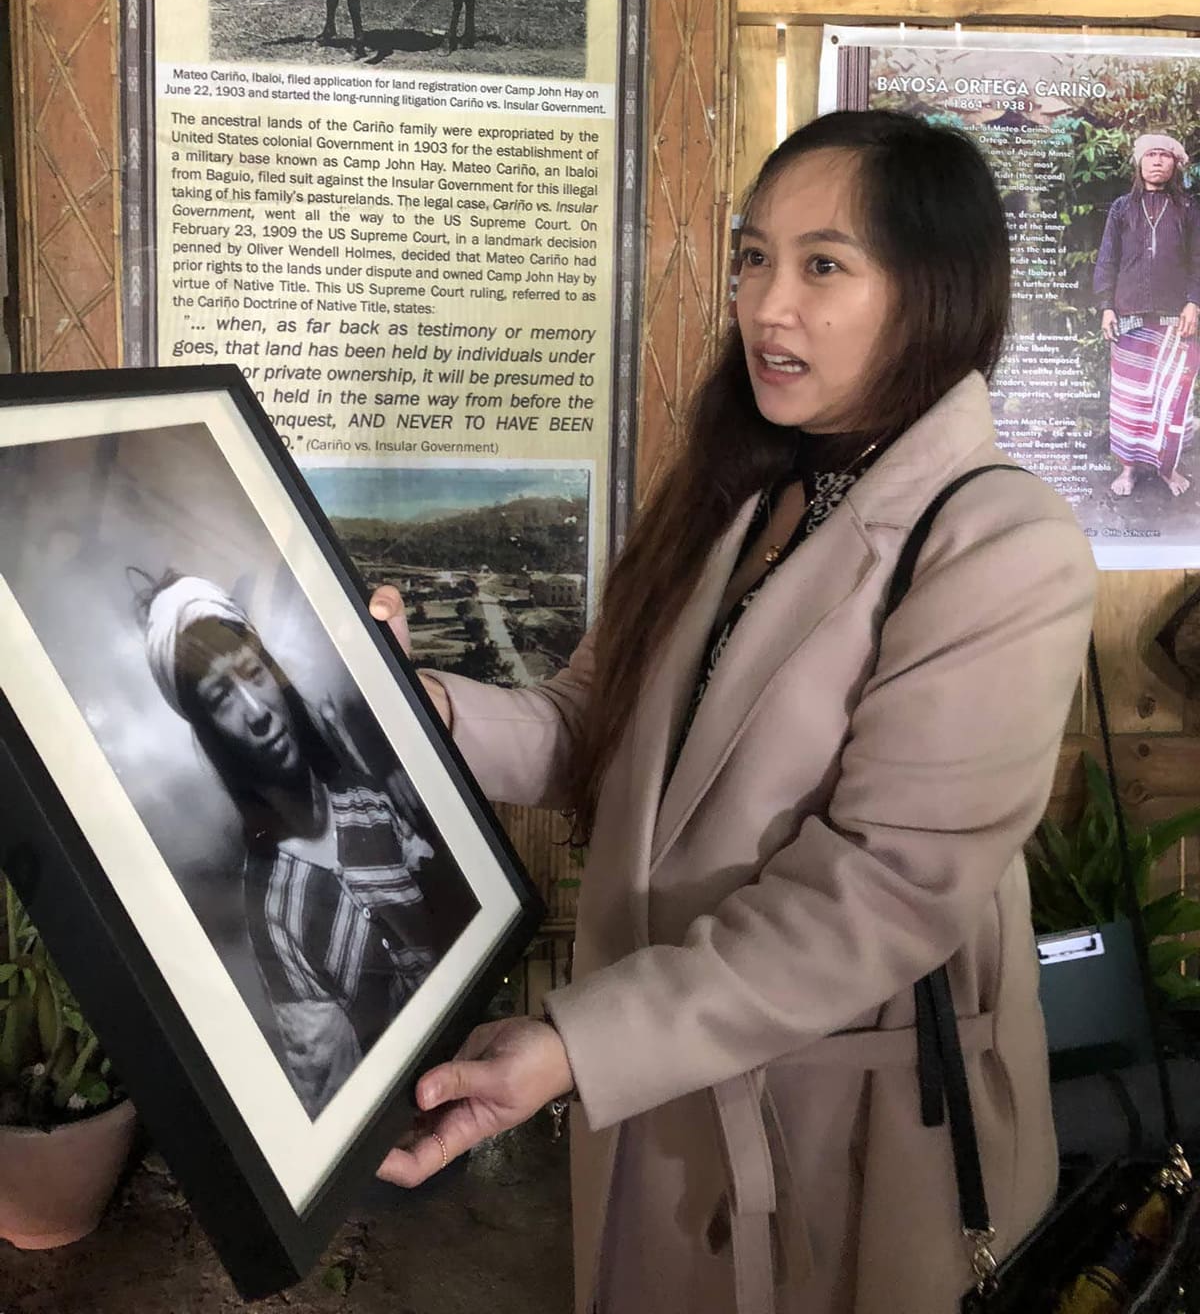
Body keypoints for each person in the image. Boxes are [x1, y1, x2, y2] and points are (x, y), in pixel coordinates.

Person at [369, 110, 1097, 1314]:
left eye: (824, 265)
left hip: (842, 1131)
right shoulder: (737, 490)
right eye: (754, 258)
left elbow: (880, 893)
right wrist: (412, 705)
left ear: (935, 292)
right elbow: (582, 730)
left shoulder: (1003, 542)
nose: (768, 306)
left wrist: (572, 1046)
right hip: (655, 1088)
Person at [140, 573, 443, 1116]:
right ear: (208, 730)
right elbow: (333, 1087)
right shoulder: (273, 911)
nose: (254, 713)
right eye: (220, 698)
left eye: (253, 674)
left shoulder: (370, 799)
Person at [1094, 131, 1200, 498]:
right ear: (1139, 163)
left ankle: (1168, 467)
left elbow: (1197, 260)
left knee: (1170, 395)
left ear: (1175, 164)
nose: (1157, 161)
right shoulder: (1122, 208)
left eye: (1165, 155)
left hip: (1176, 319)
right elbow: (1107, 259)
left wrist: (1194, 302)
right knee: (1131, 396)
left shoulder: (1188, 208)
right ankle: (1129, 469)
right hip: (1129, 317)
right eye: (1150, 155)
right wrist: (1106, 306)